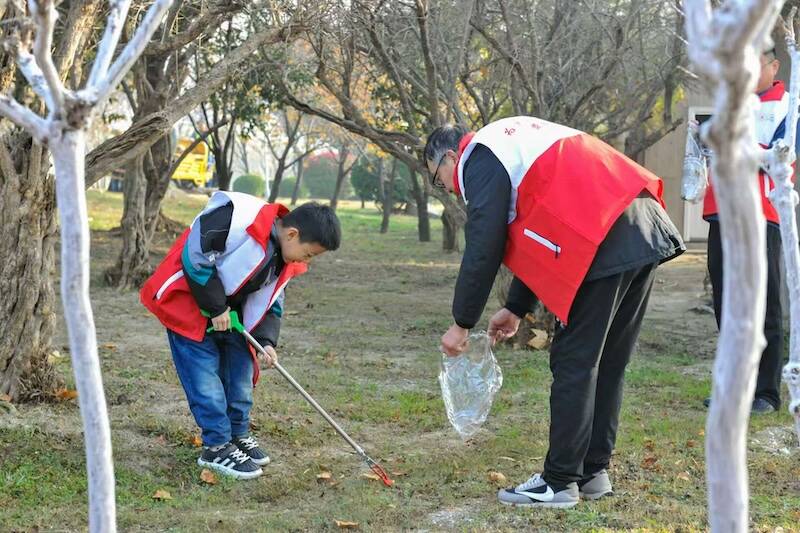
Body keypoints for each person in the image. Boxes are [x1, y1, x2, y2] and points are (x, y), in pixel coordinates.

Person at [425, 116, 685, 509]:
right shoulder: (509, 143)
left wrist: (461, 323)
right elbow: (541, 227)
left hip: (604, 231)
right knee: (608, 360)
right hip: (640, 220)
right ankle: (592, 472)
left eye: (436, 177)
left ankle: (560, 481)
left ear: (449, 156)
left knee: (574, 360)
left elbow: (486, 240)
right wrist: (516, 308)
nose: (444, 186)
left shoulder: (478, 156)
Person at [140, 192, 341, 479]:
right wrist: (215, 306)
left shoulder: (283, 257)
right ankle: (216, 445)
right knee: (205, 378)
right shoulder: (235, 218)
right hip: (189, 301)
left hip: (232, 314)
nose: (307, 261)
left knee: (240, 372)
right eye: (309, 254)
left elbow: (273, 299)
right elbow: (194, 256)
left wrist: (267, 341)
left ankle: (237, 433)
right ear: (293, 234)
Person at [702, 48, 793, 414]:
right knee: (727, 304)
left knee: (764, 304)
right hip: (720, 210)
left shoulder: (788, 104)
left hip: (760, 212)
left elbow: (782, 158)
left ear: (773, 66)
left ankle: (766, 393)